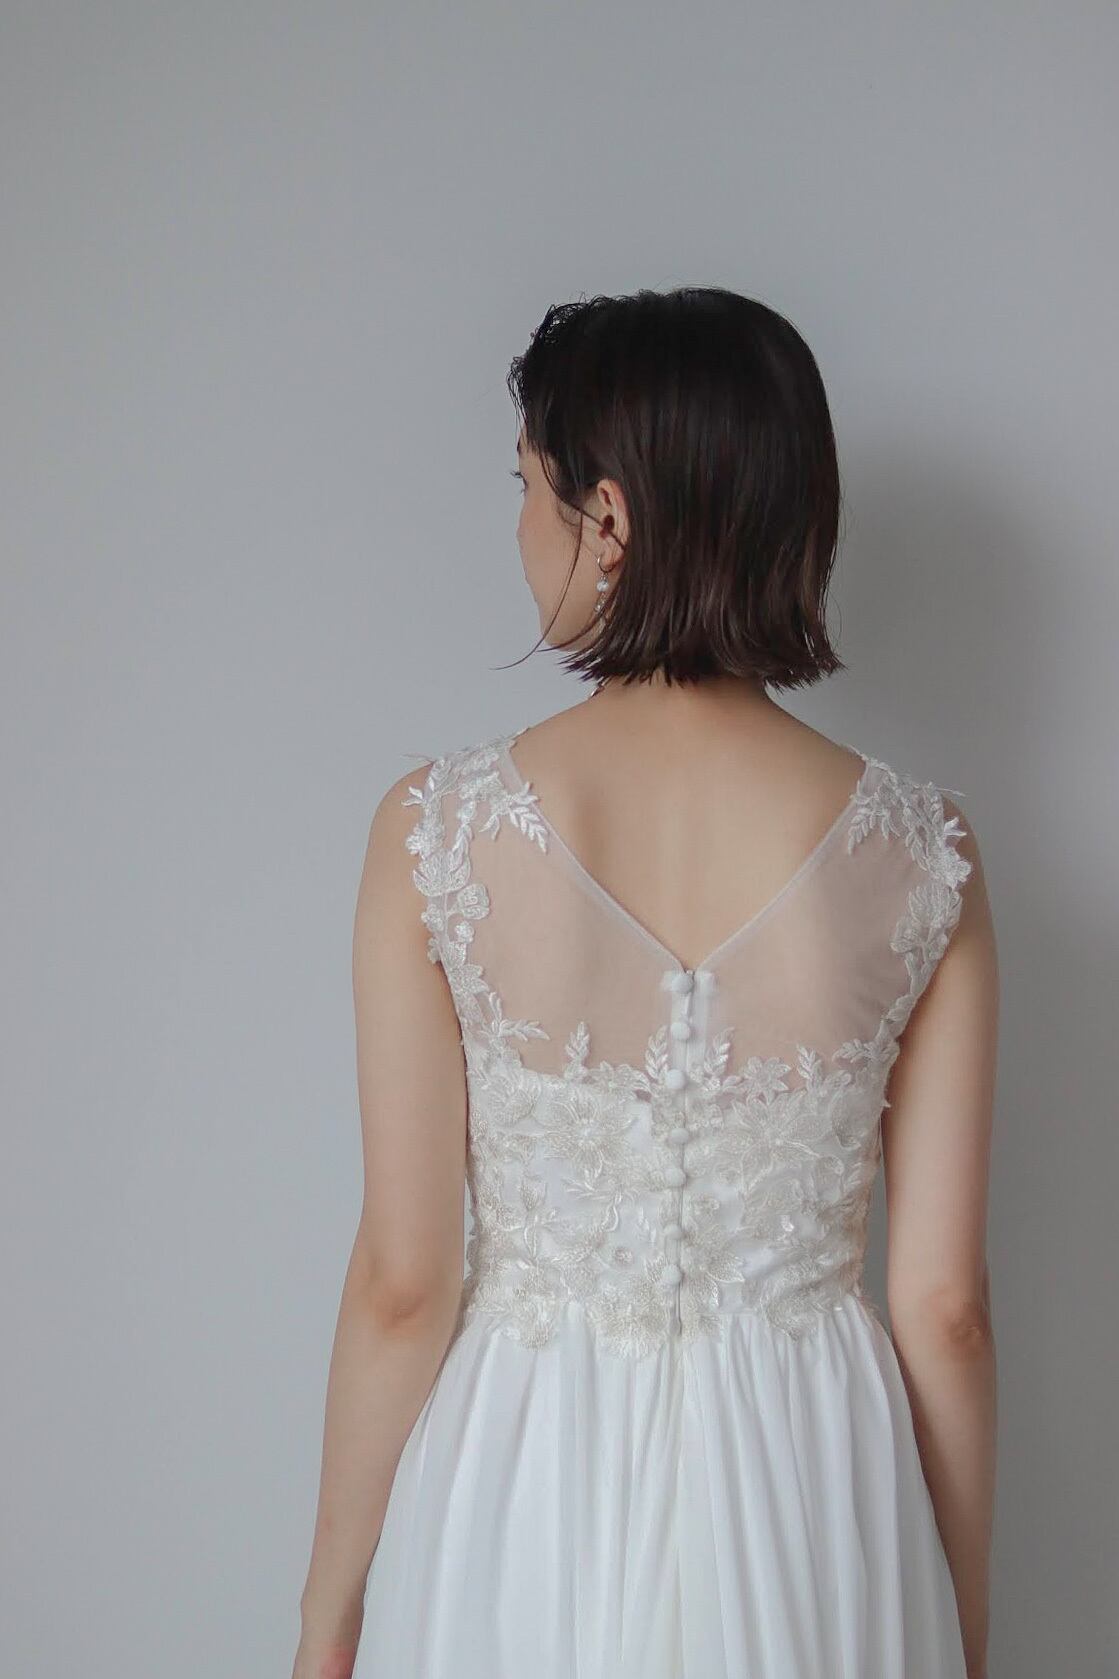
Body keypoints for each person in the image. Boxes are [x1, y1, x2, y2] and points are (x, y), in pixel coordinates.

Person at [292, 287, 999, 1679]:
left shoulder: (437, 834)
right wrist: (961, 1631)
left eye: (529, 487)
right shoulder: (925, 854)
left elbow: (402, 1284)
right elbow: (946, 1312)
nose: (519, 528)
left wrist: (327, 1619)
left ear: (606, 519)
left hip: (525, 1485)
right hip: (816, 1496)